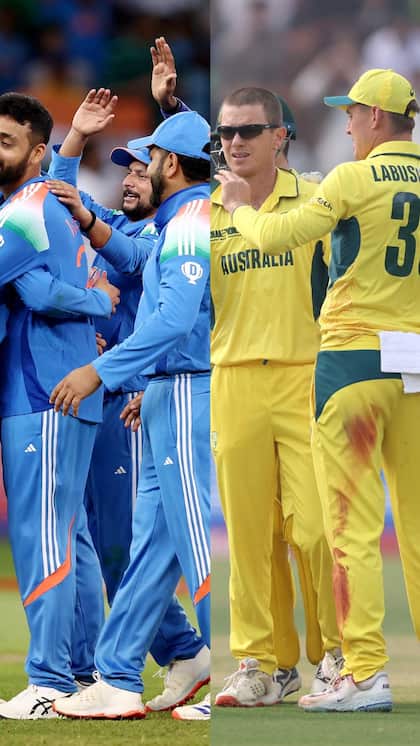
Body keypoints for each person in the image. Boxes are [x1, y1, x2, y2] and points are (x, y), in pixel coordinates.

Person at [216, 67, 420, 713]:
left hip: (349, 362)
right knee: (416, 527)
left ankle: (362, 671)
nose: (348, 125)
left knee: (346, 529)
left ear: (376, 118)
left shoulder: (349, 179)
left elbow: (278, 235)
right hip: (414, 363)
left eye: (352, 114)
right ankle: (315, 663)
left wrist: (241, 211)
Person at [46, 38, 210, 716]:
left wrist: (101, 366)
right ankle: (127, 672)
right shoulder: (145, 226)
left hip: (156, 390)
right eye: (126, 169)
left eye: (144, 164)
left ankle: (217, 660)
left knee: (166, 538)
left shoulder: (184, 224)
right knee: (146, 542)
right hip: (140, 391)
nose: (132, 176)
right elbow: (66, 211)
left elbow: (166, 308)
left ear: (168, 166)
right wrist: (74, 145)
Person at [211, 86, 341, 707]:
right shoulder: (206, 210)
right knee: (249, 535)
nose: (235, 142)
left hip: (303, 374)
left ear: (279, 136)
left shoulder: (314, 199)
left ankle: (335, 654)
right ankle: (262, 663)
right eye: (226, 133)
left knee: (315, 529)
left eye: (248, 131)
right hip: (233, 377)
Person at [0, 91, 120, 719]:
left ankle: (48, 682)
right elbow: (47, 285)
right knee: (70, 535)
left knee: (42, 534)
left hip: (40, 391)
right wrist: (93, 300)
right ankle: (82, 670)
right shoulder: (53, 203)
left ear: (35, 152)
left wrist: (89, 300)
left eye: (6, 142)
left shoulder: (24, 210)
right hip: (64, 390)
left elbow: (44, 294)